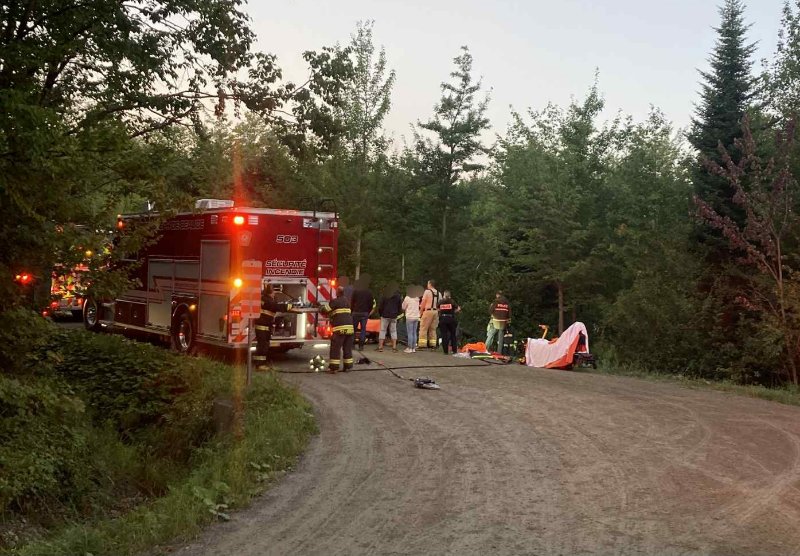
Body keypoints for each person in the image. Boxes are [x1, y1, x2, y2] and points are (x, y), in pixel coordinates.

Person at [321, 286, 354, 373]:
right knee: (347, 348)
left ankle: (333, 368)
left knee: (335, 348)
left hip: (340, 329)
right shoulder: (347, 301)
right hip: (350, 328)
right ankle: (348, 367)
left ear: (337, 293)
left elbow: (325, 310)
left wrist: (320, 307)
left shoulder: (335, 301)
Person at [253, 284, 280, 370]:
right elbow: (275, 306)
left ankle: (260, 364)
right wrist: (288, 306)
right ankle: (260, 365)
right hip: (263, 326)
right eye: (273, 292)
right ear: (270, 293)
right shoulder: (267, 300)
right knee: (263, 346)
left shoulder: (264, 298)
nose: (274, 294)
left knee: (263, 345)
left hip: (264, 326)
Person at [377, 286, 402, 352]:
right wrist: (397, 314)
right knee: (393, 331)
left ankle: (380, 347)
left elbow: (380, 306)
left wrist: (381, 314)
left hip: (385, 315)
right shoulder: (398, 296)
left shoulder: (384, 295)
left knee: (382, 330)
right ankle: (394, 347)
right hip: (394, 316)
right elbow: (400, 307)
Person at [350, 281, 374, 350]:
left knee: (353, 329)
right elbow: (371, 303)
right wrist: (368, 311)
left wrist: (352, 310)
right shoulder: (369, 292)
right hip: (364, 313)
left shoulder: (356, 291)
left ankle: (352, 345)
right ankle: (361, 345)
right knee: (363, 329)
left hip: (356, 312)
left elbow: (352, 301)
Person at [418, 279, 440, 350]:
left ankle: (422, 345)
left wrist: (420, 312)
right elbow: (440, 304)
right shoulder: (439, 293)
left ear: (430, 284)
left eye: (428, 284)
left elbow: (423, 302)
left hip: (428, 311)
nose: (427, 285)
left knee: (423, 328)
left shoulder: (427, 292)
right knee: (433, 329)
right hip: (436, 312)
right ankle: (433, 345)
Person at [437, 290, 460, 355]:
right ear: (450, 295)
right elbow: (458, 309)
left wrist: (441, 312)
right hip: (451, 318)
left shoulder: (441, 302)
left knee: (444, 335)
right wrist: (453, 312)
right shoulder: (452, 301)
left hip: (443, 319)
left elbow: (437, 308)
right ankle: (454, 350)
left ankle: (445, 351)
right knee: (453, 335)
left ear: (444, 295)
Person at [402, 287, 421, 353]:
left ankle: (409, 348)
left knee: (410, 333)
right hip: (416, 317)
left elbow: (403, 307)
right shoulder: (417, 298)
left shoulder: (407, 298)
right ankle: (413, 348)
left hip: (410, 317)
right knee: (414, 333)